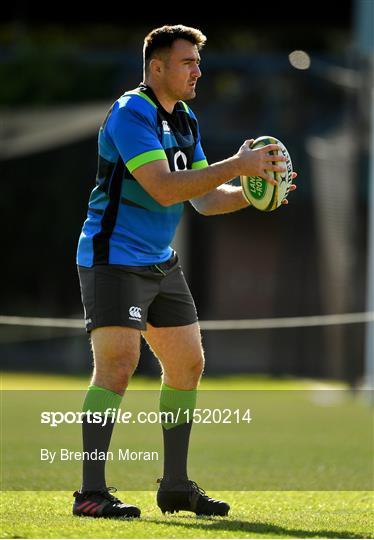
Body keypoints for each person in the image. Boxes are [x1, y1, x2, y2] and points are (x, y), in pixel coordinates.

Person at [73, 24, 296, 519]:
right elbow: (163, 188)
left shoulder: (186, 118)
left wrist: (258, 195)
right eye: (188, 62)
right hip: (113, 257)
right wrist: (239, 163)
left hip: (158, 260)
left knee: (188, 365)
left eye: (198, 61)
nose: (198, 70)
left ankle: (174, 486)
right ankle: (90, 493)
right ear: (157, 67)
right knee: (117, 366)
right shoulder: (132, 113)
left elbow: (205, 199)